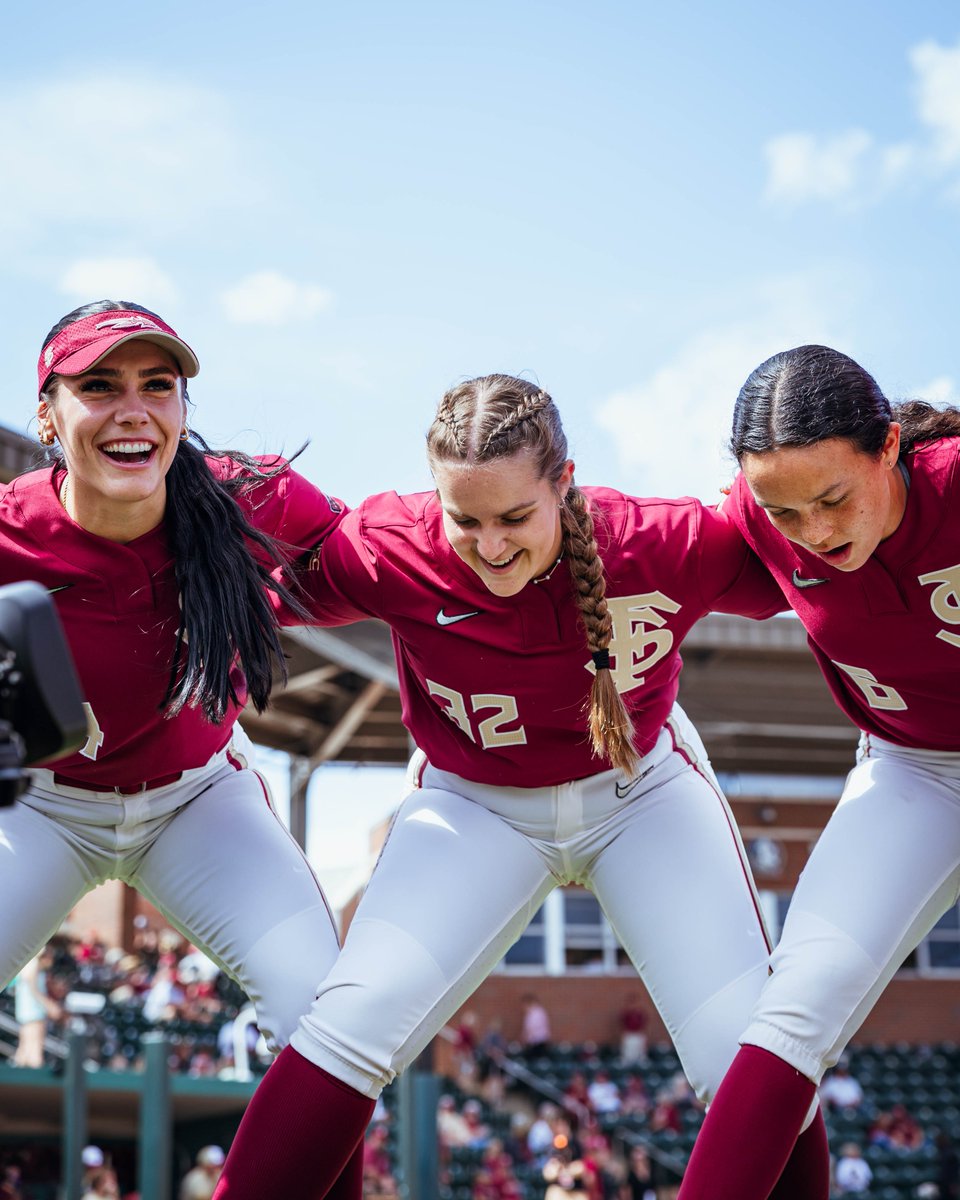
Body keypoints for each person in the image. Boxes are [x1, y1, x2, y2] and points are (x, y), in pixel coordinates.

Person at [212, 372, 828, 1200]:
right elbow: (260, 589)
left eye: (513, 517)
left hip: (638, 792)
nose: (491, 544)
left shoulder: (659, 541)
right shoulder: (391, 546)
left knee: (745, 1051)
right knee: (351, 1023)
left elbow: (818, 554)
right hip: (475, 804)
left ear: (563, 483)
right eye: (465, 519)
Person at [0, 301, 359, 1198]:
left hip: (197, 800)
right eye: (99, 386)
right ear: (48, 413)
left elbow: (384, 558)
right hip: (42, 806)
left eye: (158, 386)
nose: (134, 408)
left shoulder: (247, 497)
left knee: (333, 1018)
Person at [677, 343, 960, 1198]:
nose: (815, 533)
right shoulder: (760, 519)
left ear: (889, 448)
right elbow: (625, 546)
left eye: (833, 499)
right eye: (784, 512)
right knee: (797, 1004)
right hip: (915, 769)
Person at [11, 945, 61, 1067]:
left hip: (27, 1013)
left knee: (24, 1049)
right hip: (33, 1013)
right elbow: (34, 991)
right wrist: (50, 1006)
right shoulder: (32, 966)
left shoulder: (30, 966)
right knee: (34, 1050)